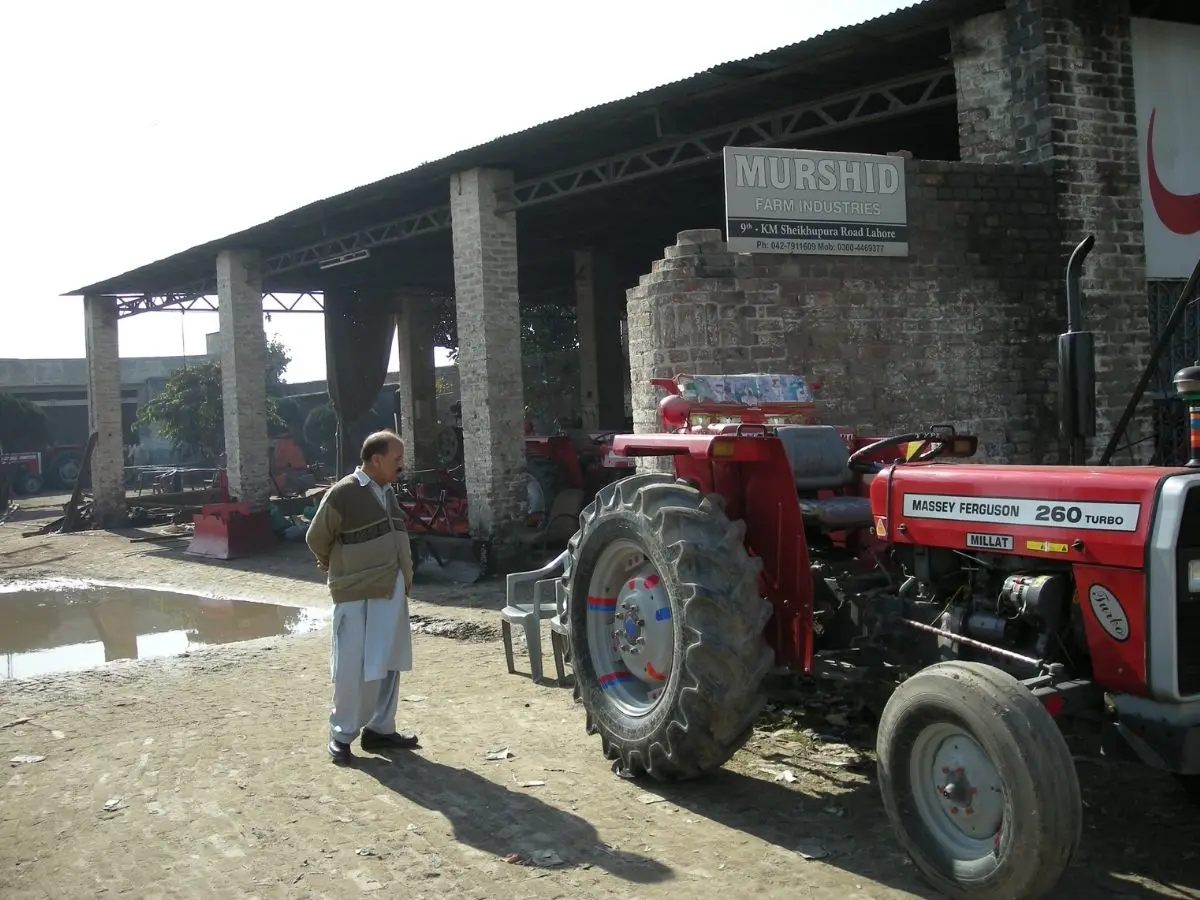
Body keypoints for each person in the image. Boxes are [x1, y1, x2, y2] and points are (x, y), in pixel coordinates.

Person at [305, 430, 419, 765]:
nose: (401, 465)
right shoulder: (343, 493)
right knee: (352, 667)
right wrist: (339, 568)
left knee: (389, 663)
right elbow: (316, 538)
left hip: (391, 592)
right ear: (376, 459)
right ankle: (341, 735)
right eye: (396, 459)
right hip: (356, 594)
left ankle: (380, 729)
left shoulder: (387, 493)